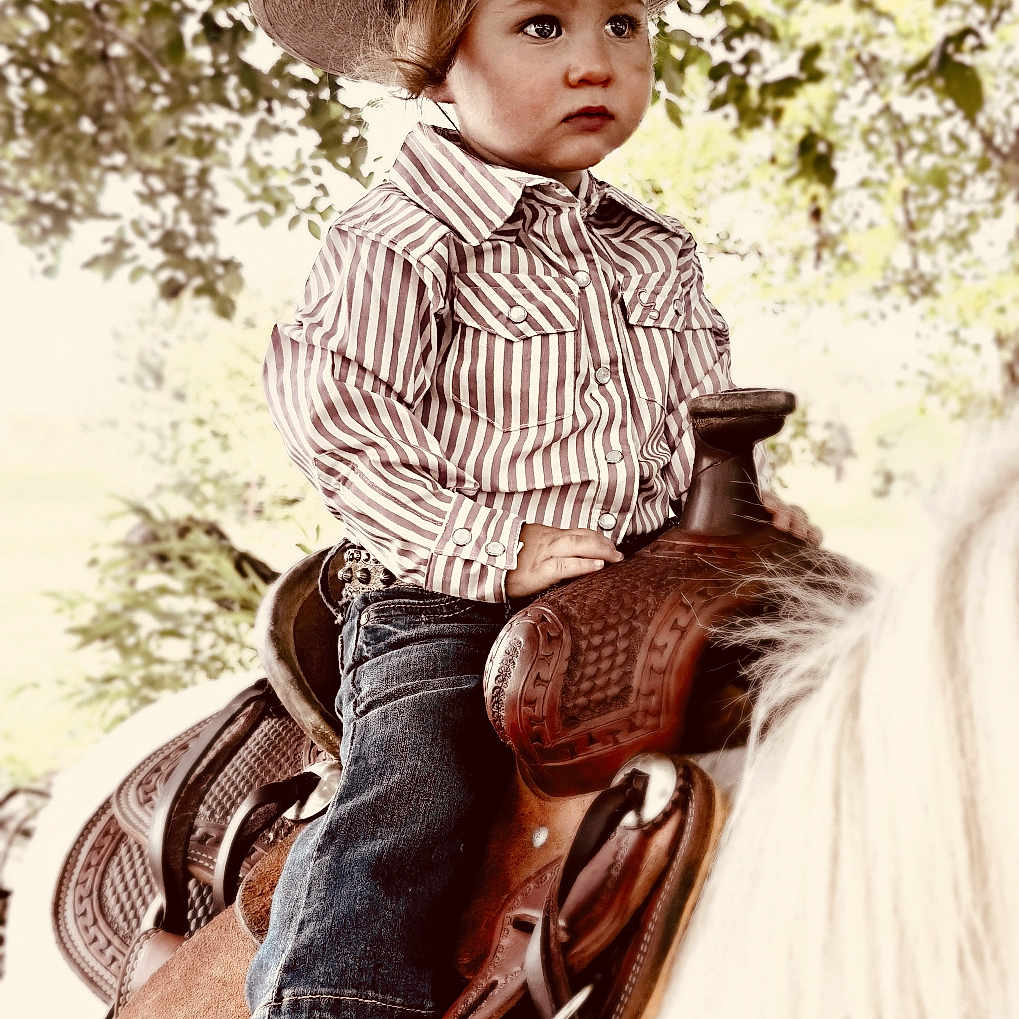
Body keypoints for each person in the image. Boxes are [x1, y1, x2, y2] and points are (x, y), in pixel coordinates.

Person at [245, 1, 820, 1017]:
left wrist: (741, 506)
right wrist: (488, 548)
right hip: (444, 589)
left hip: (637, 580)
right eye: (542, 27)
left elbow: (687, 430)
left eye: (624, 24)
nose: (596, 63)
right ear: (433, 66)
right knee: (417, 788)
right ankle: (330, 994)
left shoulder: (652, 248)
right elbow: (339, 421)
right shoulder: (398, 237)